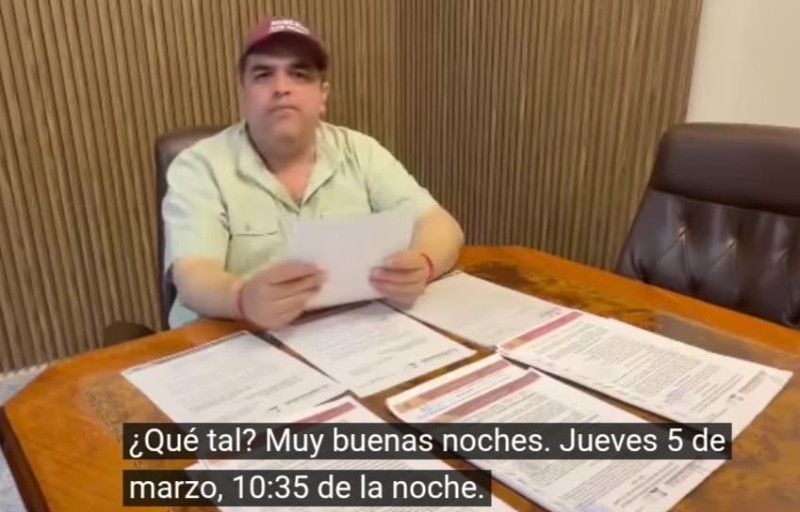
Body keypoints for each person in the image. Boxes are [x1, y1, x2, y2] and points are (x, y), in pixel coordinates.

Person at [162, 16, 464, 330]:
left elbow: (440, 224)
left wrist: (422, 265)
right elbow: (193, 274)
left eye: (299, 74)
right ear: (244, 92)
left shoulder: (361, 151)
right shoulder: (198, 167)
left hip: (347, 334)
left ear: (323, 95)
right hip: (231, 337)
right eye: (263, 75)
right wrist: (241, 298)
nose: (281, 88)